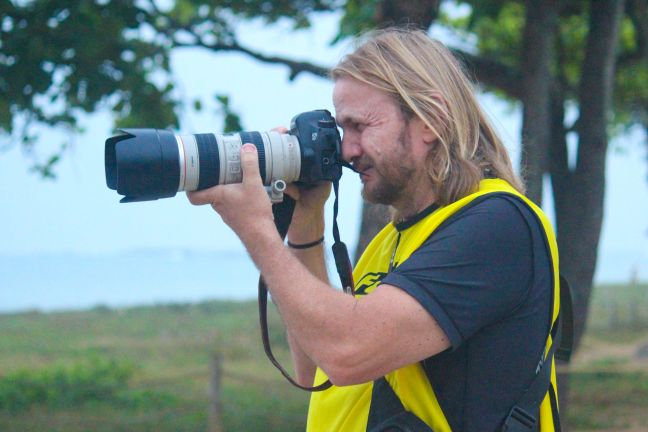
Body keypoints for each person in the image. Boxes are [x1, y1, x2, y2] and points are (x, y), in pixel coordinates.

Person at [188, 29, 562, 432]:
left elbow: (346, 352)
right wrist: (306, 220)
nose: (347, 150)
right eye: (341, 130)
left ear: (430, 120)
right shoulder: (396, 239)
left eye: (360, 126)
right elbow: (317, 367)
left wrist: (257, 232)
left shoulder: (497, 226)